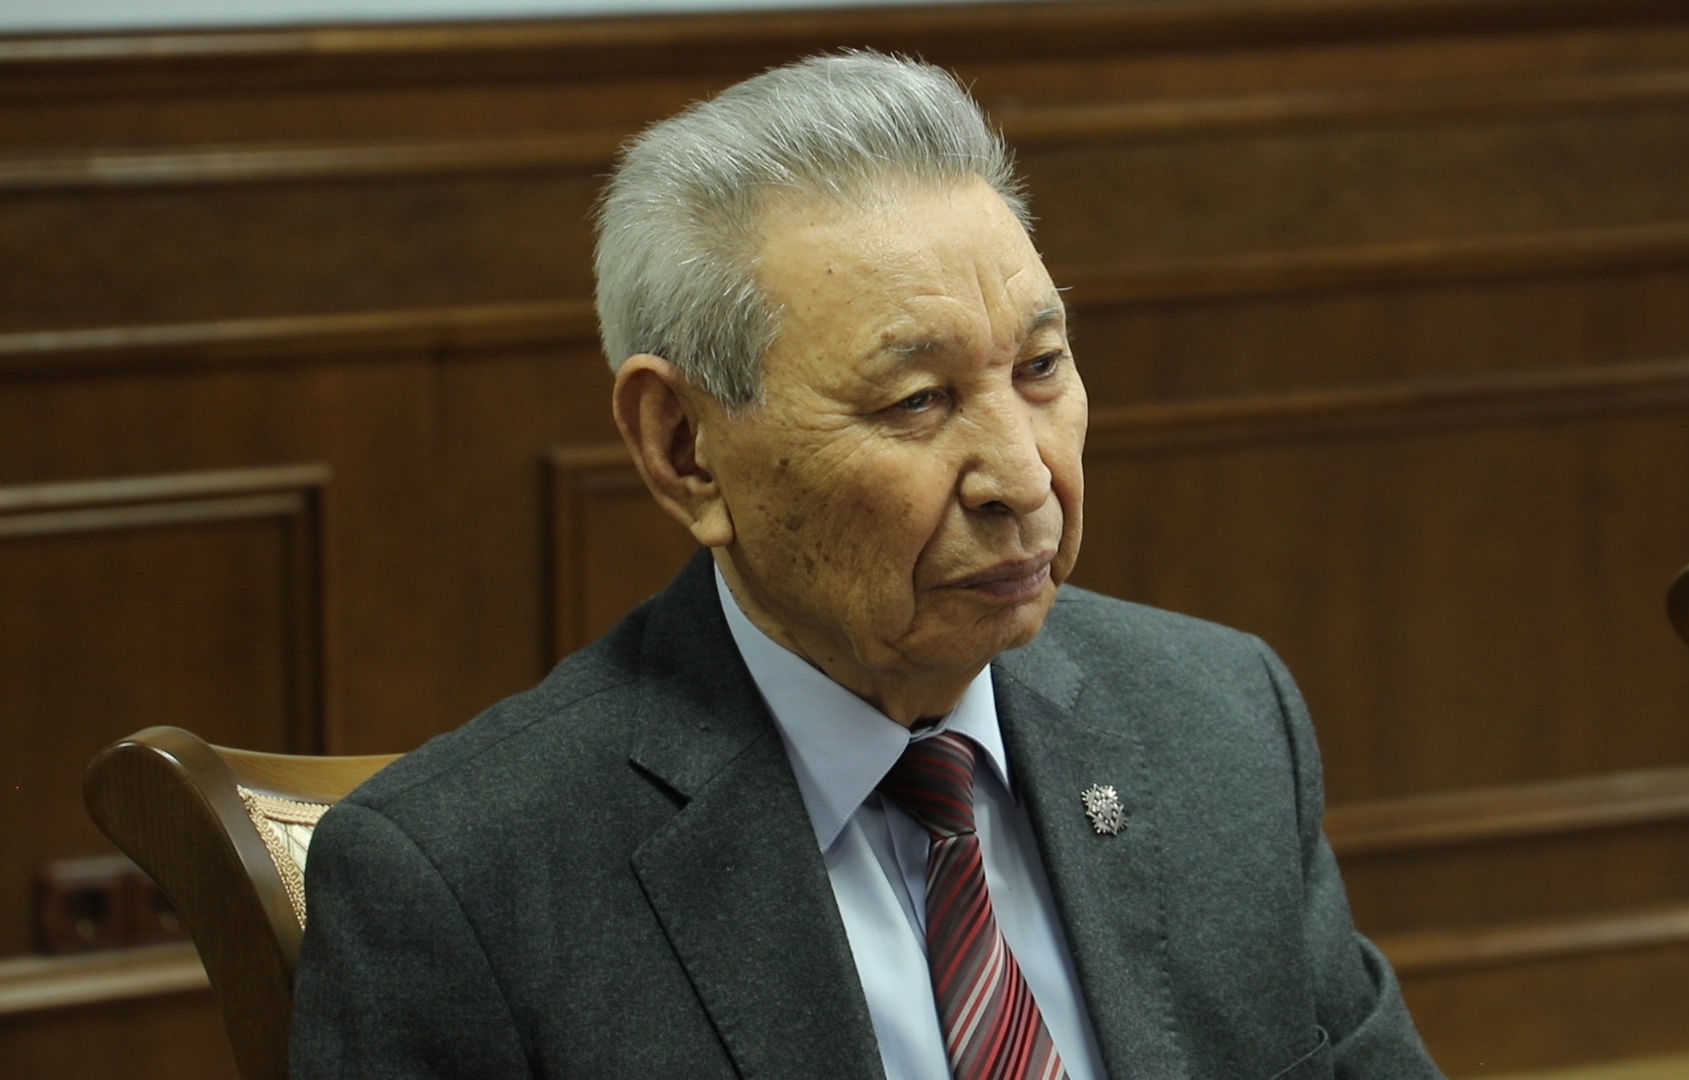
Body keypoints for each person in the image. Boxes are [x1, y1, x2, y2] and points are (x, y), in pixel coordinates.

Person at [289, 52, 1443, 1080]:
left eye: (1040, 368)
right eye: (919, 400)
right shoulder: (468, 887)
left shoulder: (1220, 720)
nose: (1024, 479)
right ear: (685, 448)